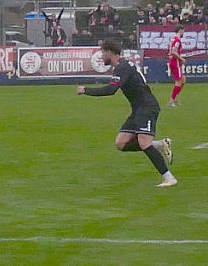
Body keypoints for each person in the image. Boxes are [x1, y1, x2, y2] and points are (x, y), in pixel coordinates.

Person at [76, 38, 177, 188]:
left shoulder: (122, 67)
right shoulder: (123, 65)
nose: (101, 56)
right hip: (138, 109)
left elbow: (111, 90)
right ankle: (161, 145)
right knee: (121, 143)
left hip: (147, 107)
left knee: (144, 143)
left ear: (109, 52)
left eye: (102, 53)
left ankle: (169, 178)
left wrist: (86, 90)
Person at [168, 24, 186, 106]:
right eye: (183, 31)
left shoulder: (173, 39)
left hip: (173, 61)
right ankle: (172, 100)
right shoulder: (177, 40)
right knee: (178, 81)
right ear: (180, 30)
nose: (183, 33)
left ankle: (175, 98)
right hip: (175, 62)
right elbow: (173, 52)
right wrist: (181, 59)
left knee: (183, 80)